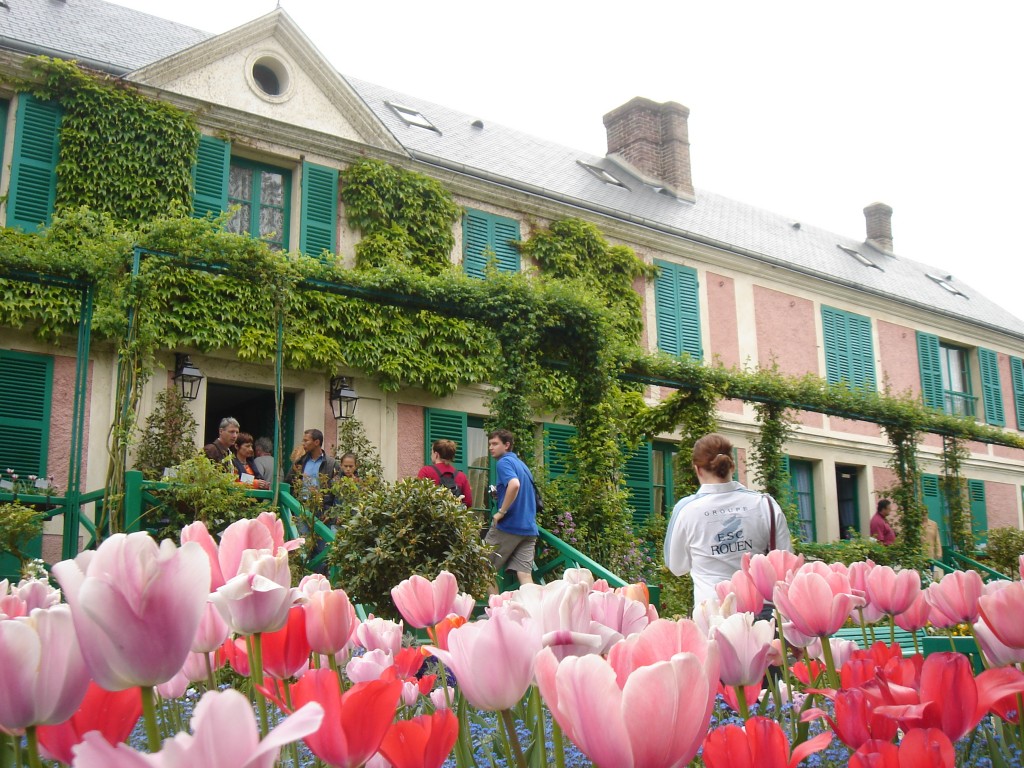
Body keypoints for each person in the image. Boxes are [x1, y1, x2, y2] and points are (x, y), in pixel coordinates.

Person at [664, 432, 792, 609]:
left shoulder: (686, 510)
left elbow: (677, 567)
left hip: (713, 610)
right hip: (763, 610)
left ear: (697, 469)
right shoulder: (765, 504)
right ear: (732, 465)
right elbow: (785, 560)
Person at [484, 429, 538, 591]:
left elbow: (514, 485)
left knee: (482, 567)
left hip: (508, 527)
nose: (491, 448)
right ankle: (535, 610)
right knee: (524, 575)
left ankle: (496, 611)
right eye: (489, 444)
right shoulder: (523, 466)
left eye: (495, 444)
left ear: (507, 445)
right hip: (529, 530)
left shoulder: (504, 463)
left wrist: (501, 511)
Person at [285, 429, 341, 502]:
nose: (303, 443)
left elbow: (337, 489)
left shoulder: (331, 464)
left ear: (316, 442)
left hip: (322, 506)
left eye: (306, 441)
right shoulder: (299, 462)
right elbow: (289, 483)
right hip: (301, 506)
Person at [417, 439, 472, 505]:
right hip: (454, 514)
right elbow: (468, 502)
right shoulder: (461, 476)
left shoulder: (426, 471)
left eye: (431, 452)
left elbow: (418, 496)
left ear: (436, 454)